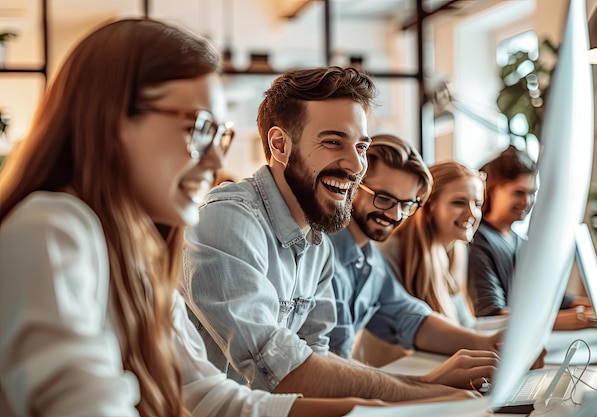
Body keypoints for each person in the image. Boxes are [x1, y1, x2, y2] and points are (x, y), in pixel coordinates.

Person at [0, 19, 452, 417]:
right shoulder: (54, 227)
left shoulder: (140, 257)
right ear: (113, 119)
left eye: (220, 133)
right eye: (198, 128)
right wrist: (420, 397)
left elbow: (214, 399)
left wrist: (403, 406)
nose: (217, 159)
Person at [182, 67, 479, 401]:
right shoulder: (229, 219)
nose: (355, 166)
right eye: (333, 142)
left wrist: (428, 389)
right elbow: (279, 366)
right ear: (280, 144)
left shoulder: (316, 242)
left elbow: (317, 358)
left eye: (361, 146)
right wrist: (423, 391)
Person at [328, 136, 499, 379]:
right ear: (353, 185)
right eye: (384, 198)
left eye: (406, 204)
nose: (395, 214)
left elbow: (411, 319)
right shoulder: (323, 256)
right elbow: (324, 363)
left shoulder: (370, 259)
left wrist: (489, 343)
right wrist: (426, 383)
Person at [467, 145, 591, 330]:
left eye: (532, 193)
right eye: (519, 192)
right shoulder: (477, 242)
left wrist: (592, 308)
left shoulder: (517, 241)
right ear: (490, 190)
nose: (527, 202)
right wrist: (566, 320)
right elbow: (491, 313)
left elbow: (547, 296)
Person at [379, 160, 486, 329]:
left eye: (478, 204)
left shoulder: (457, 250)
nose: (472, 213)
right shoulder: (391, 251)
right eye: (459, 202)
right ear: (429, 205)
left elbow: (467, 326)